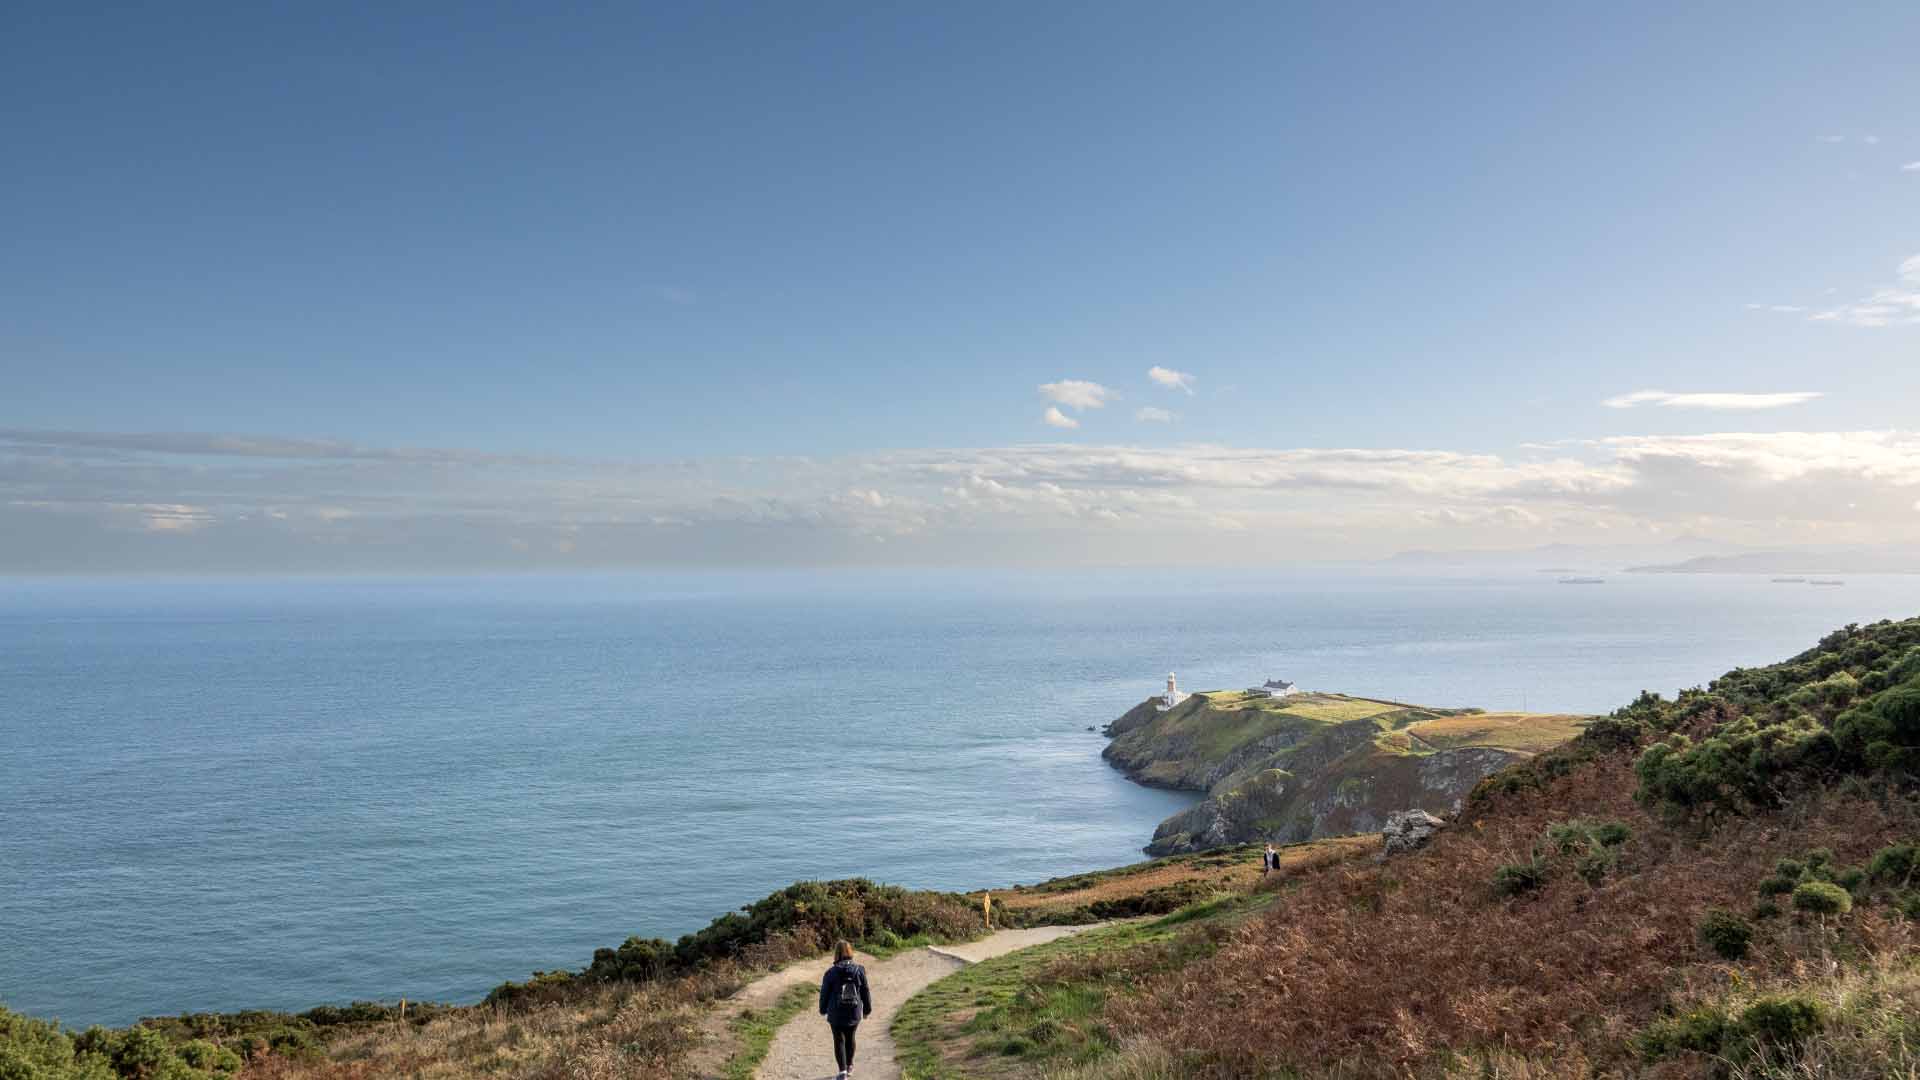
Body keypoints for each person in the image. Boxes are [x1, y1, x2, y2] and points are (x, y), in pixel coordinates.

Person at [819, 939, 872, 1079]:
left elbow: (824, 993)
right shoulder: (859, 970)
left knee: (839, 1040)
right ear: (850, 952)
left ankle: (842, 1072)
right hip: (854, 1011)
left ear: (836, 954)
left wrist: (822, 1009)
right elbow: (865, 991)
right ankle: (849, 1066)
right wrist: (867, 1009)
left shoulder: (830, 973)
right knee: (851, 1038)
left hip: (836, 1013)